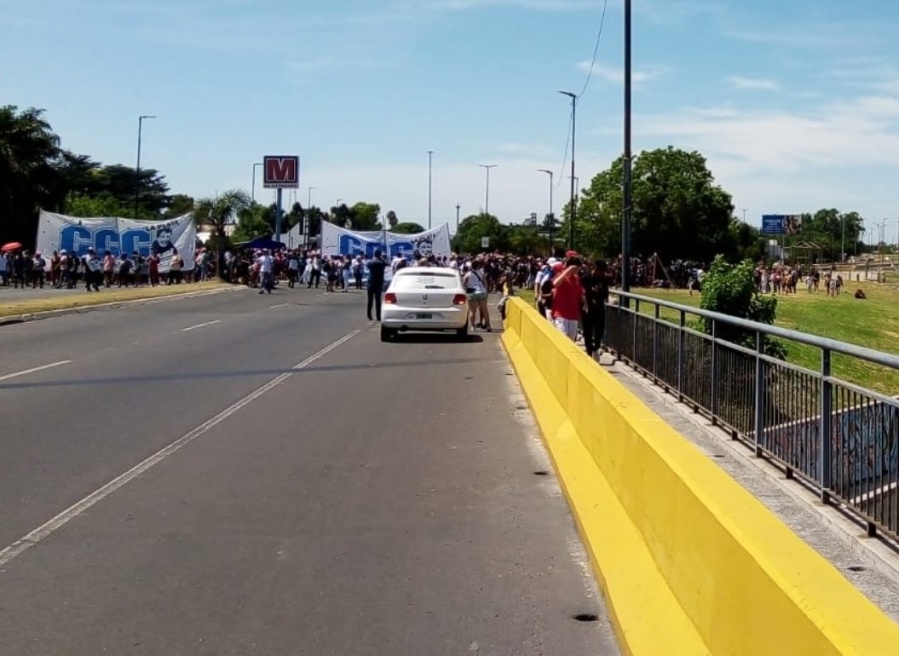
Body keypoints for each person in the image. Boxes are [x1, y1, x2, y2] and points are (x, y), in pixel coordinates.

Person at [551, 254, 585, 342]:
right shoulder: (561, 276)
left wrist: (585, 303)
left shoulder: (577, 278)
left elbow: (580, 293)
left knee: (571, 342)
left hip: (573, 316)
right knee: (562, 341)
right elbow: (555, 284)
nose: (579, 270)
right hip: (561, 315)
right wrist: (566, 272)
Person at [581, 259, 610, 359]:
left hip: (599, 308)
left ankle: (596, 347)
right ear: (596, 269)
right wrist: (590, 298)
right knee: (587, 331)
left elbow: (605, 294)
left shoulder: (603, 280)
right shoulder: (585, 279)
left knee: (599, 330)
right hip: (587, 309)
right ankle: (589, 352)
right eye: (601, 271)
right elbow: (582, 292)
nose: (602, 273)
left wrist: (598, 294)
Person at [366, 249, 387, 321]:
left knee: (370, 300)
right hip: (378, 283)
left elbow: (367, 265)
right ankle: (378, 316)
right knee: (378, 301)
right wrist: (382, 258)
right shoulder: (381, 263)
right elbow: (385, 264)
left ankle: (369, 315)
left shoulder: (371, 262)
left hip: (370, 282)